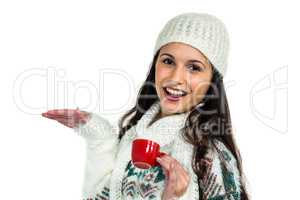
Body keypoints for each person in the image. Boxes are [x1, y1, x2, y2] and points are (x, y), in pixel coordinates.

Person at [42, 12, 250, 200]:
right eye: (168, 61)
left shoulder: (209, 154)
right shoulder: (134, 135)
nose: (176, 78)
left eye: (194, 68)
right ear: (155, 65)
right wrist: (99, 136)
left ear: (212, 81)